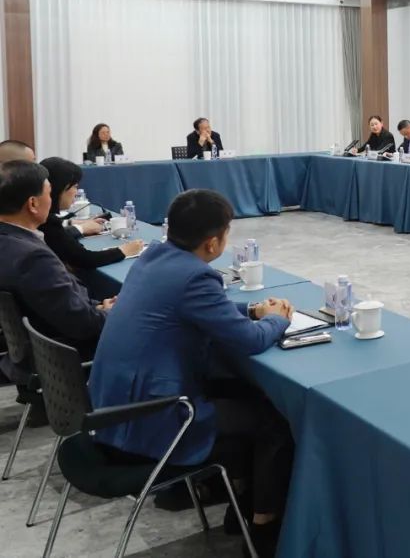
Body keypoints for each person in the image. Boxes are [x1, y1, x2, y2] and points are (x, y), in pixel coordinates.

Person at [88, 189, 295, 556]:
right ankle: (264, 526)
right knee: (273, 420)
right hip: (151, 418)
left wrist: (253, 310)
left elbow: (200, 308)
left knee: (241, 393)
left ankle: (237, 500)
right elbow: (249, 341)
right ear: (213, 242)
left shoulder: (153, 257)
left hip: (112, 405)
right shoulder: (196, 277)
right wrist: (277, 320)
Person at [0, 160, 112, 386]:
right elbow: (82, 325)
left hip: (36, 346)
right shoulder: (32, 258)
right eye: (49, 193)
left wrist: (99, 307)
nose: (51, 201)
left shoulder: (11, 242)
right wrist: (111, 313)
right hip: (61, 356)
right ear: (33, 203)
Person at [39, 157, 143, 268]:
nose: (76, 192)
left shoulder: (45, 217)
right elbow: (84, 259)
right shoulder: (46, 221)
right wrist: (123, 251)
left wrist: (77, 226)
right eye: (75, 186)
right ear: (58, 188)